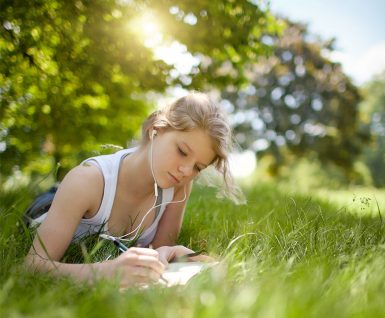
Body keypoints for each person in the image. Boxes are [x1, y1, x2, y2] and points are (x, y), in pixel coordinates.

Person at [25, 92, 243, 288]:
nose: (186, 170)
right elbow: (32, 266)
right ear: (156, 129)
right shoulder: (86, 180)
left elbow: (159, 251)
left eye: (198, 167)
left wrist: (172, 252)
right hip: (48, 207)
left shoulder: (179, 184)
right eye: (182, 151)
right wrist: (105, 271)